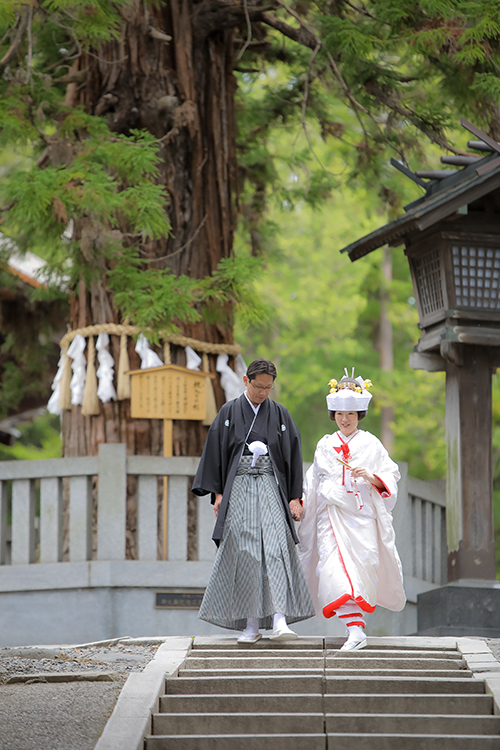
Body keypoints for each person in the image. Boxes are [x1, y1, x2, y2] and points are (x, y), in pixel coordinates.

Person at [192, 358, 315, 643]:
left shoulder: (280, 414)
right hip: (240, 486)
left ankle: (279, 619)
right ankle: (250, 624)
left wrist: (296, 497)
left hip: (271, 485)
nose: (263, 392)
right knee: (245, 553)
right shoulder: (229, 411)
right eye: (258, 386)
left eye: (268, 388)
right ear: (246, 381)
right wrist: (218, 493)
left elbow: (292, 455)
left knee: (276, 548)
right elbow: (217, 453)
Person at [297, 369, 406, 651]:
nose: (345, 420)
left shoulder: (371, 444)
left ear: (359, 415)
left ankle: (356, 629)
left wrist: (370, 477)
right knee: (332, 570)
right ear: (333, 415)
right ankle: (355, 629)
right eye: (340, 415)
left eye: (351, 415)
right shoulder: (325, 444)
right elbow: (312, 481)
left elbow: (390, 476)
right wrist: (301, 504)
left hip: (361, 517)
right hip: (331, 516)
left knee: (362, 567)